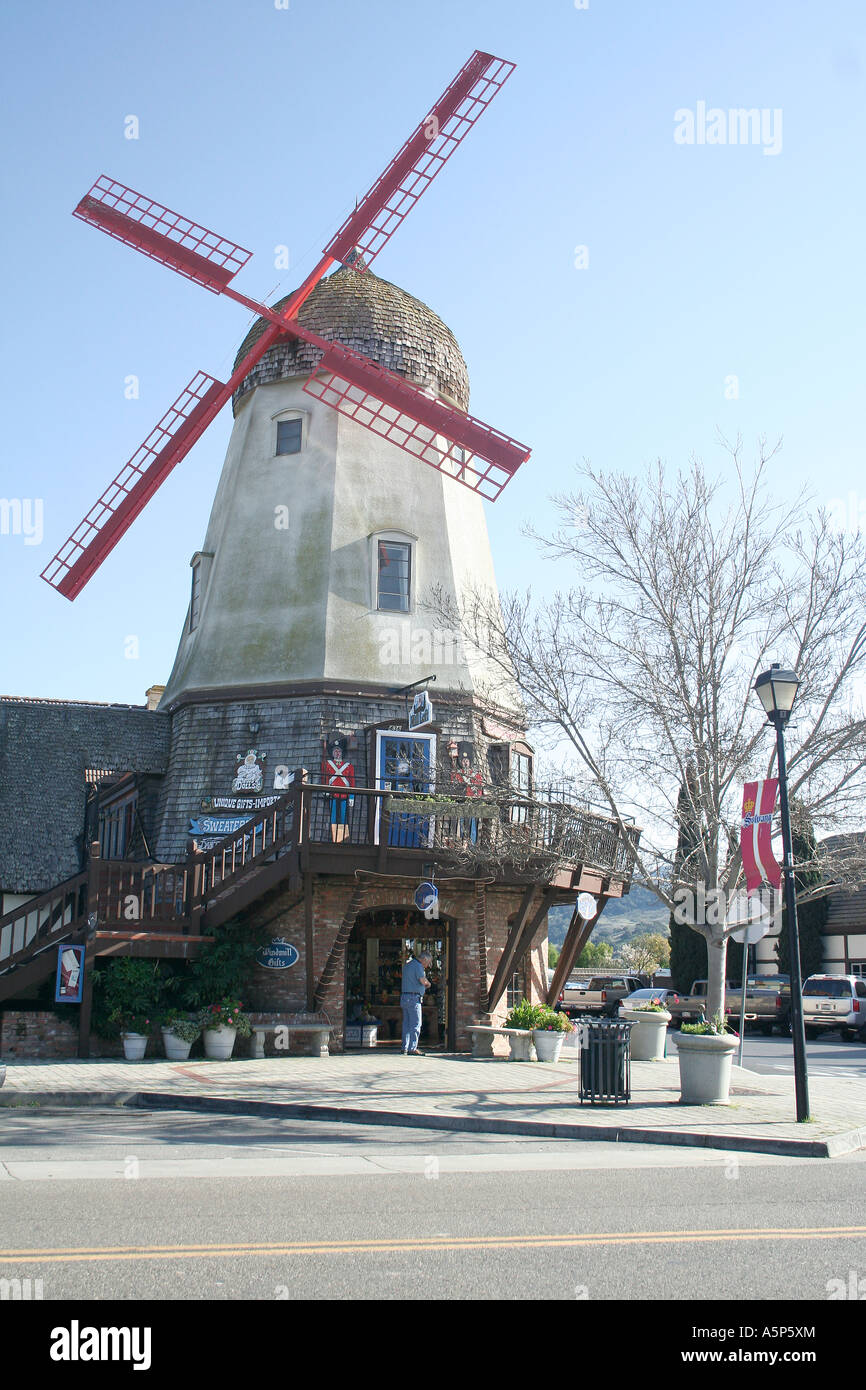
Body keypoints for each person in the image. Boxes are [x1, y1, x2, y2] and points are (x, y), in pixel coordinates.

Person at [400, 949, 432, 1055]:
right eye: (427, 963)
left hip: (404, 997)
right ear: (423, 959)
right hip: (414, 998)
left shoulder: (408, 965)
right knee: (416, 1023)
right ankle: (412, 1048)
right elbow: (422, 980)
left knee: (406, 1023)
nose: (427, 966)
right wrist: (428, 984)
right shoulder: (418, 966)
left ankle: (404, 1046)